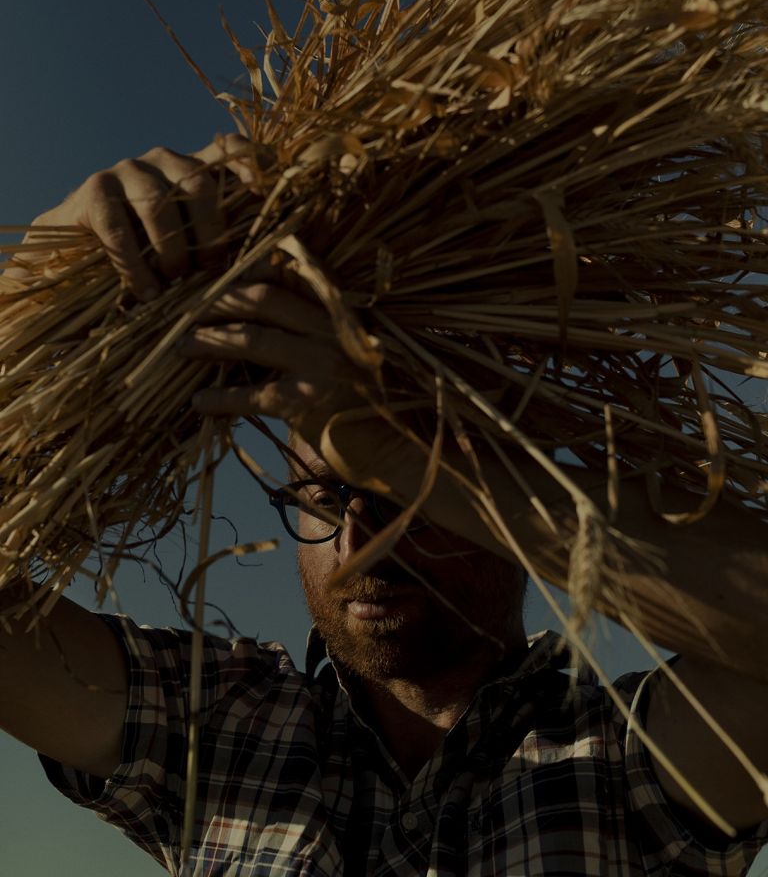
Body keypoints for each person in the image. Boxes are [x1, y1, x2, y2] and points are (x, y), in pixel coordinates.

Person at [1, 137, 768, 876]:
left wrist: (407, 450)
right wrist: (34, 288)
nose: (361, 538)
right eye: (324, 496)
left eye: (407, 496)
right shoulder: (213, 726)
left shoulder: (632, 757)